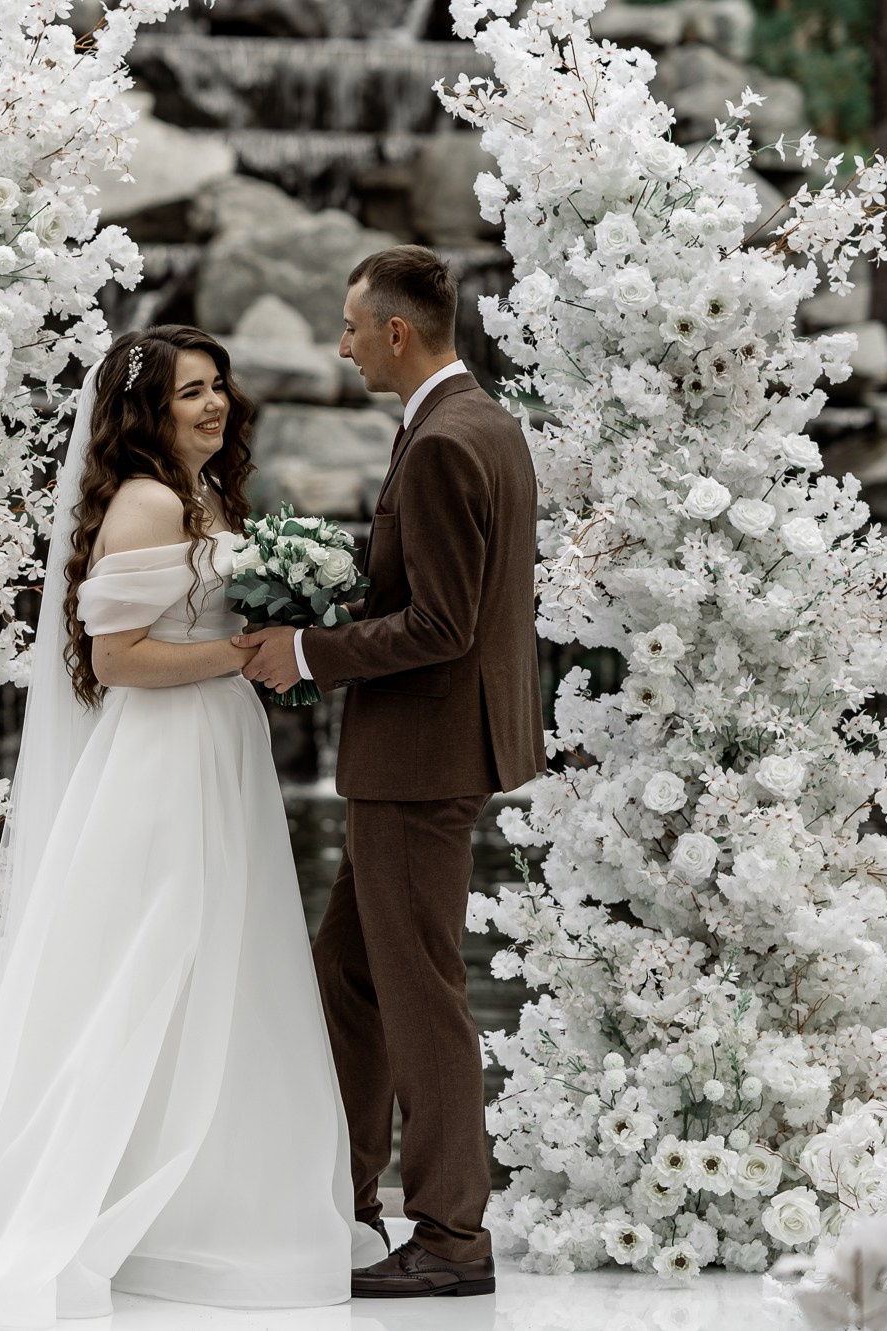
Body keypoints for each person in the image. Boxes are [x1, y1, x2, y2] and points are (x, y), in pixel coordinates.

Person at [0, 324, 383, 1329]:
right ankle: (109, 1194)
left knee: (219, 959)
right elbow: (117, 659)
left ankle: (201, 1190)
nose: (212, 404)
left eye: (217, 385)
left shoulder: (204, 492)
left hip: (215, 744)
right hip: (166, 755)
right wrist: (244, 653)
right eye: (189, 391)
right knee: (156, 958)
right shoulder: (149, 500)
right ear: (147, 412)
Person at [236, 245, 547, 1299]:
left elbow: (443, 623)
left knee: (421, 995)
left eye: (352, 326)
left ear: (397, 332)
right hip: (420, 754)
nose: (342, 346)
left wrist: (308, 651)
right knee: (348, 973)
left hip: (422, 761)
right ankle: (345, 1198)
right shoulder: (475, 422)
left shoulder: (450, 440)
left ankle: (451, 1235)